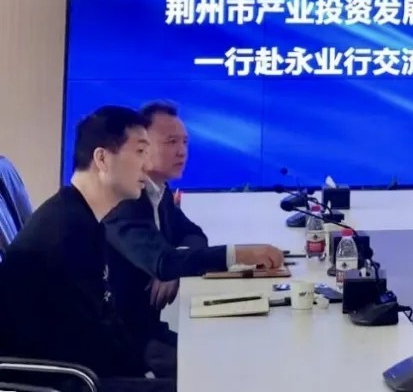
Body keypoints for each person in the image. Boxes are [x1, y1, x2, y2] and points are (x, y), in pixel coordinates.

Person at [105, 100, 284, 376]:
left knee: (240, 354)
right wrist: (241, 254)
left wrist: (175, 265)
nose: (182, 151)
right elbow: (163, 262)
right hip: (125, 344)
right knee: (225, 370)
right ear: (142, 145)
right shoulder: (125, 201)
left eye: (185, 142)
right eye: (171, 142)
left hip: (148, 331)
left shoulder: (159, 192)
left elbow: (193, 234)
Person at [0, 106, 172, 391]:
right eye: (140, 151)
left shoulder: (79, 217)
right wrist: (148, 371)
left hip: (80, 370)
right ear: (102, 158)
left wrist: (149, 361)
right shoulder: (66, 232)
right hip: (63, 380)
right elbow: (85, 340)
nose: (148, 164)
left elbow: (103, 323)